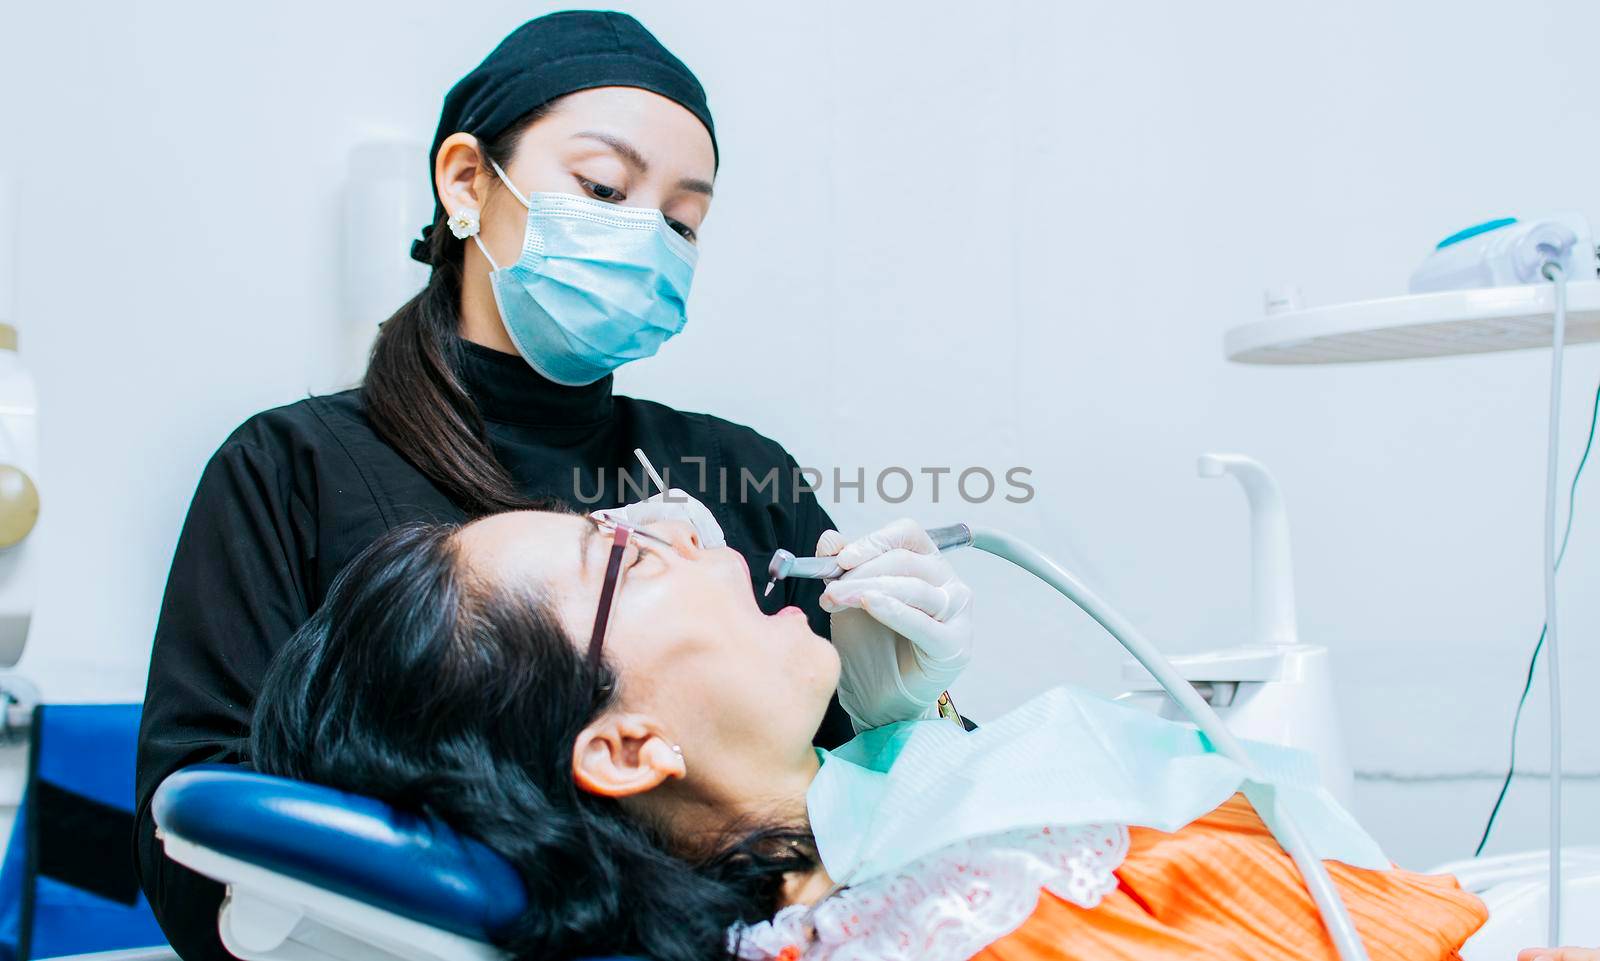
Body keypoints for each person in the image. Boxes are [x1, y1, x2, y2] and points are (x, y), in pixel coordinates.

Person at [134, 12, 973, 960]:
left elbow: (877, 823)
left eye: (681, 221)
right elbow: (211, 850)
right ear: (465, 181)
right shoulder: (294, 469)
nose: (647, 238)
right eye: (604, 187)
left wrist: (903, 713)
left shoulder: (737, 472)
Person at [251, 508, 1488, 961]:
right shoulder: (967, 923)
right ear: (627, 749)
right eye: (622, 553)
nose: (685, 526)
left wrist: (911, 726)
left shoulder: (913, 860)